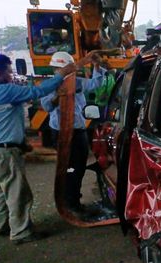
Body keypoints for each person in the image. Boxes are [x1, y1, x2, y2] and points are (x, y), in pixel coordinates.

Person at [0, 53, 75, 244]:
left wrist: (22, 143)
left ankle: (0, 226)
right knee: (17, 192)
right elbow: (36, 92)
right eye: (9, 71)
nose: (11, 76)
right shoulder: (2, 90)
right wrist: (61, 75)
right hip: (2, 152)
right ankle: (21, 232)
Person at [41, 51, 106, 213]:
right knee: (68, 167)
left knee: (78, 166)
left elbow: (96, 84)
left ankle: (73, 198)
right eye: (60, 69)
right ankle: (69, 200)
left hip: (78, 132)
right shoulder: (49, 86)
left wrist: (97, 65)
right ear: (55, 70)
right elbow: (47, 106)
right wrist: (58, 96)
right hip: (62, 133)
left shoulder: (77, 83)